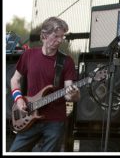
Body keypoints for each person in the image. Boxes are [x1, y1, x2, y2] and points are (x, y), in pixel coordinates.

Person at [9, 17, 80, 151]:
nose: (59, 40)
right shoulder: (29, 55)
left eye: (62, 37)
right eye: (56, 36)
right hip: (29, 117)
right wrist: (18, 100)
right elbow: (15, 80)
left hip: (54, 121)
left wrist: (74, 95)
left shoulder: (66, 61)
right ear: (44, 35)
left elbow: (69, 94)